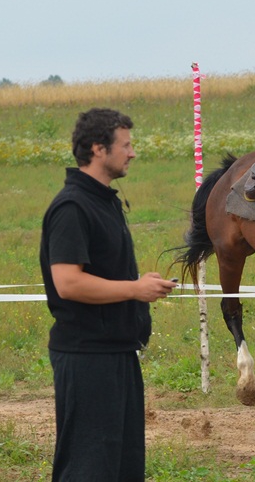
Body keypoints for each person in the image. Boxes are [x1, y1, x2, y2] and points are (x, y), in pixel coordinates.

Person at [39, 108, 177, 482]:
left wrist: (137, 286)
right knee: (89, 467)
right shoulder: (72, 207)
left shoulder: (102, 200)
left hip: (116, 352)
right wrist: (134, 289)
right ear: (99, 149)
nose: (132, 152)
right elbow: (67, 282)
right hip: (87, 358)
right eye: (126, 145)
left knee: (122, 466)